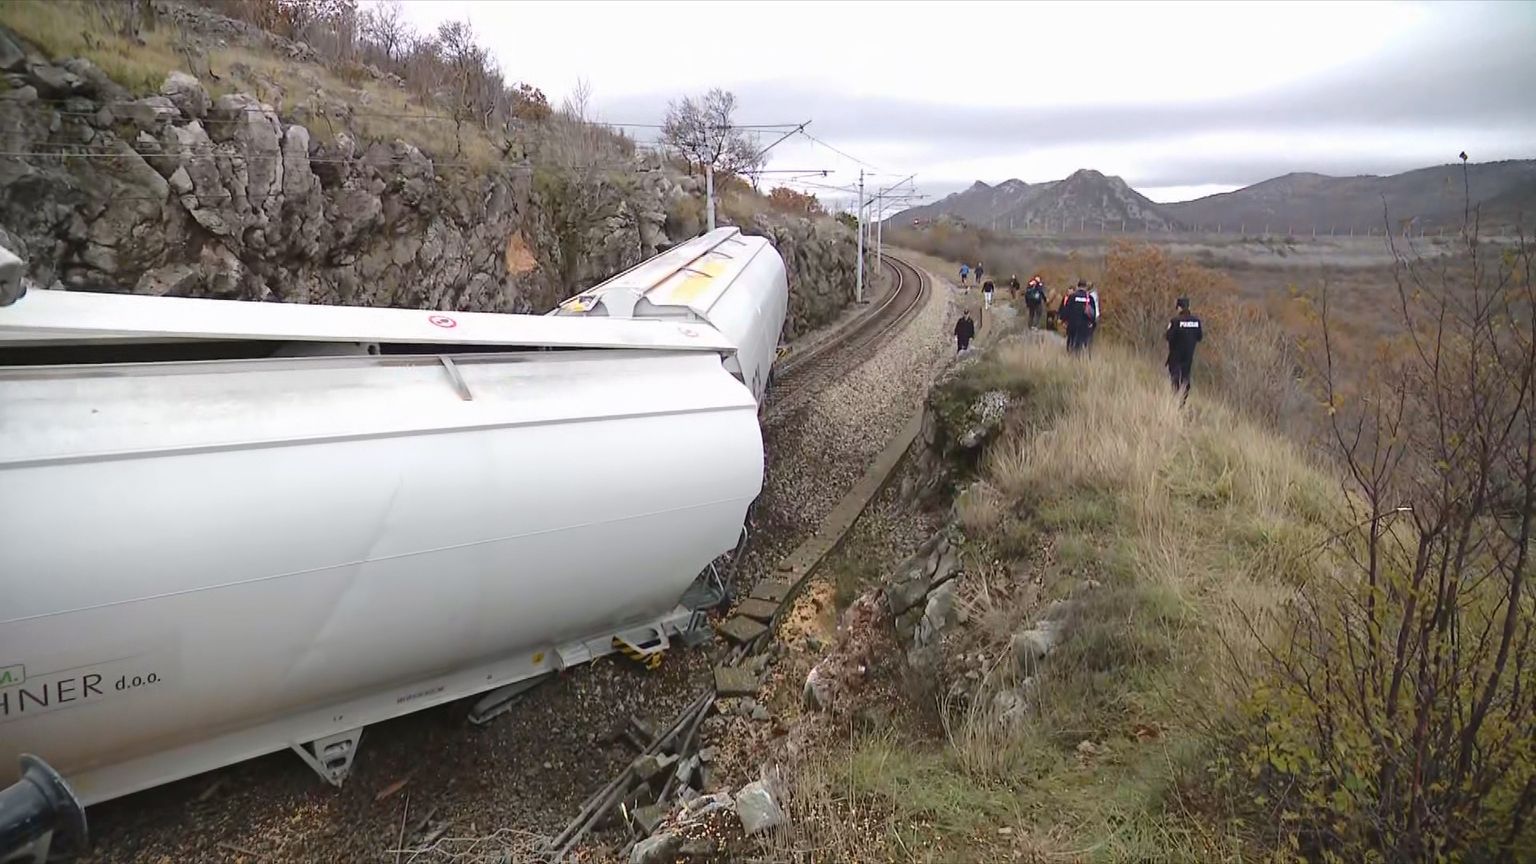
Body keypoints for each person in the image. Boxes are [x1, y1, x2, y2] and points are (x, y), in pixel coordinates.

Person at [1165, 296, 1204, 402]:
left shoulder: (1175, 321)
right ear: (1189, 307)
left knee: (1175, 376)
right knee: (1185, 377)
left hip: (1175, 354)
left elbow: (1168, 337)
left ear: (1179, 308)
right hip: (1189, 355)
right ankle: (1183, 400)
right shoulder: (1196, 322)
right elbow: (1200, 337)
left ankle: (1175, 397)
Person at [1059, 281, 1097, 353]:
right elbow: (1093, 312)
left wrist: (1063, 320)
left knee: (1071, 340)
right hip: (1084, 324)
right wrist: (1092, 322)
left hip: (1072, 323)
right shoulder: (1089, 298)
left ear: (1077, 286)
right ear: (1085, 287)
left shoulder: (1072, 297)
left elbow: (1067, 309)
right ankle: (1079, 355)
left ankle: (1070, 354)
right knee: (1082, 342)